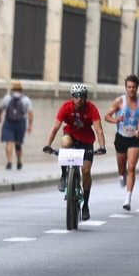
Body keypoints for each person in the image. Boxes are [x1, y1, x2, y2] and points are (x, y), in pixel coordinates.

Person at [42, 82, 106, 219]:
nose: (79, 99)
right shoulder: (65, 107)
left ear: (86, 97)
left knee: (86, 171)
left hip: (87, 140)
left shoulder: (91, 108)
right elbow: (55, 128)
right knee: (65, 142)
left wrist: (102, 146)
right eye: (76, 96)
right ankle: (64, 175)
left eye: (82, 96)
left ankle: (86, 205)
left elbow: (99, 130)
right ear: (72, 97)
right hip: (71, 135)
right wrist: (47, 144)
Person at [106, 75, 139, 211]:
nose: (131, 90)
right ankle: (121, 176)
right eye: (129, 87)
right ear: (126, 88)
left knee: (131, 167)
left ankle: (128, 198)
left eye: (134, 87)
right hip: (121, 137)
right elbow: (107, 116)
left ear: (137, 88)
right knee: (122, 170)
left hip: (134, 138)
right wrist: (116, 120)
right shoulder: (119, 101)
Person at [0, 80, 33, 170]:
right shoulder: (26, 99)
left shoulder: (7, 98)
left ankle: (9, 162)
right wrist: (30, 125)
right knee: (18, 143)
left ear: (13, 89)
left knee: (9, 142)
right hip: (20, 122)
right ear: (21, 89)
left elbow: (0, 109)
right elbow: (30, 114)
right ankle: (19, 162)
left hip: (9, 121)